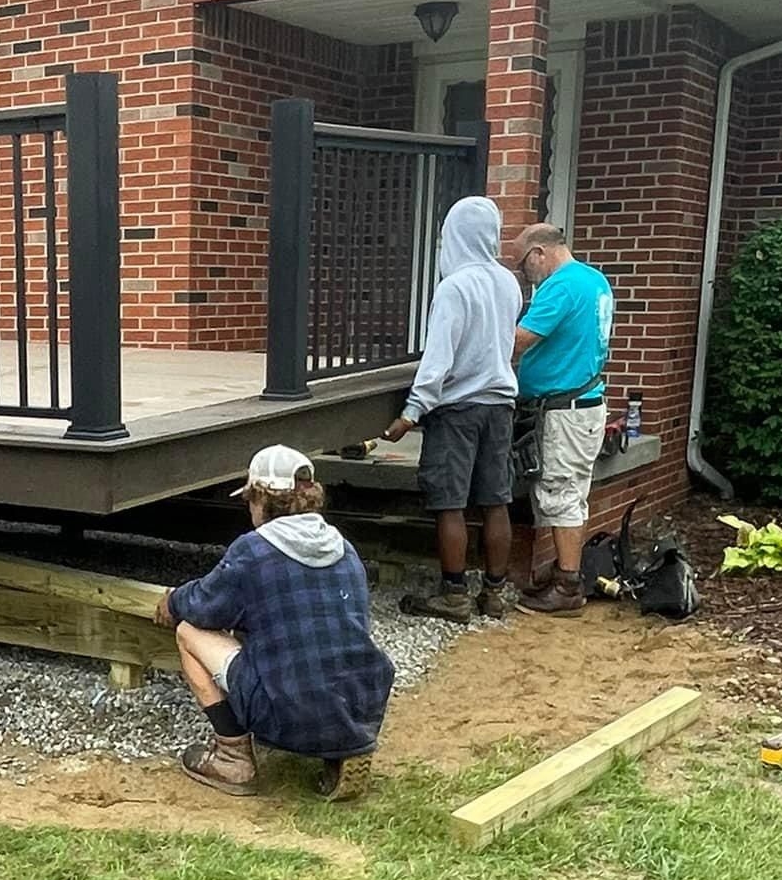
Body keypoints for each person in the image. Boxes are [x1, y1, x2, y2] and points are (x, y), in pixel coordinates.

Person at [155, 444, 394, 802]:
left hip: (289, 707)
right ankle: (342, 746)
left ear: (262, 499)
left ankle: (232, 757)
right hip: (361, 700)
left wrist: (172, 601)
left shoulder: (253, 551)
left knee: (189, 631)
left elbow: (204, 605)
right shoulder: (343, 548)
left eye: (250, 499)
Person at [382, 195, 523, 623]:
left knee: (451, 504)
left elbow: (438, 359)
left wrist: (411, 412)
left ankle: (455, 593)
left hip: (458, 408)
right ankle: (495, 593)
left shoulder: (454, 287)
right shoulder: (508, 283)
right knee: (496, 501)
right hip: (500, 406)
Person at [510, 224, 615, 616]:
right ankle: (563, 574)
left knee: (561, 491)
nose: (524, 274)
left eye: (523, 265)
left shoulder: (561, 286)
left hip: (565, 411)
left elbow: (520, 339)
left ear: (539, 252)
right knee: (572, 491)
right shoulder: (594, 279)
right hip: (584, 404)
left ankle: (568, 586)